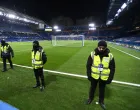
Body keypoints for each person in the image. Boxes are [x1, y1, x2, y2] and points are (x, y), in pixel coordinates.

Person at [86, 40, 115, 109]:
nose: (101, 49)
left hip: (104, 77)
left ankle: (101, 101)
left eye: (103, 48)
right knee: (92, 88)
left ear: (105, 48)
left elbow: (112, 68)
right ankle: (90, 98)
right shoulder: (92, 54)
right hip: (94, 76)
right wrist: (89, 75)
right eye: (100, 47)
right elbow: (88, 65)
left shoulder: (110, 55)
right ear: (97, 46)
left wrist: (110, 78)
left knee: (102, 89)